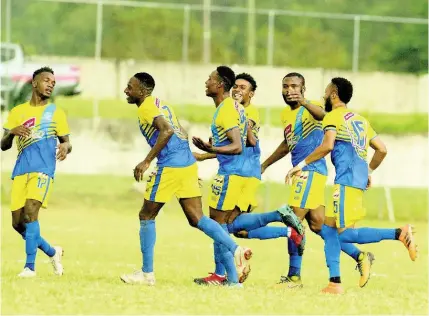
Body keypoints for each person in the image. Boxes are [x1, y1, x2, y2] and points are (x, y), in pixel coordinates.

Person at [286, 77, 417, 294]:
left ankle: (399, 233)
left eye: (326, 92)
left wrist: (300, 164)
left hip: (345, 181)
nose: (324, 97)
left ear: (334, 94)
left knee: (344, 235)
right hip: (355, 181)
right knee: (328, 230)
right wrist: (369, 172)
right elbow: (382, 149)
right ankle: (334, 282)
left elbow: (327, 145)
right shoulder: (360, 119)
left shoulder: (332, 117)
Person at [119, 72, 251, 287]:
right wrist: (187, 166)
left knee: (146, 214)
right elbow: (180, 131)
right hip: (186, 164)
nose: (126, 90)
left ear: (142, 91)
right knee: (197, 218)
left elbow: (168, 131)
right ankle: (237, 250)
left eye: (130, 87)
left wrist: (146, 161)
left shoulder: (146, 107)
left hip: (171, 166)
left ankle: (146, 273)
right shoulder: (163, 104)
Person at [262, 72, 374, 288]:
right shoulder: (285, 114)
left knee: (293, 220)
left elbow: (326, 116)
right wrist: (265, 164)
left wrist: (304, 102)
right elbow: (287, 144)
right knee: (318, 225)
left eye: (295, 86)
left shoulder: (311, 107)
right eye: (285, 86)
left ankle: (294, 277)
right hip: (301, 173)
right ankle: (360, 256)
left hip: (311, 171)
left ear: (303, 89)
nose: (289, 90)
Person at [193, 67, 304, 285]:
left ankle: (227, 269)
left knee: (224, 227)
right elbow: (247, 141)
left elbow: (242, 143)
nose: (237, 90)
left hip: (237, 172)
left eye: (242, 88)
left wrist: (212, 148)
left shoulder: (240, 110)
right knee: (233, 227)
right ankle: (228, 274)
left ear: (251, 93)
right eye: (236, 86)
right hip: (246, 171)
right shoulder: (238, 109)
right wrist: (208, 151)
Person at [1, 67, 71, 277]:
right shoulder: (17, 112)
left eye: (53, 83)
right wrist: (12, 133)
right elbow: (3, 145)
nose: (50, 85)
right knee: (17, 223)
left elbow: (67, 142)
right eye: (46, 80)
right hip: (21, 169)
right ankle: (52, 252)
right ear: (34, 83)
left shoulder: (55, 113)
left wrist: (65, 147)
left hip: (43, 169)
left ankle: (29, 268)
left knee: (31, 213)